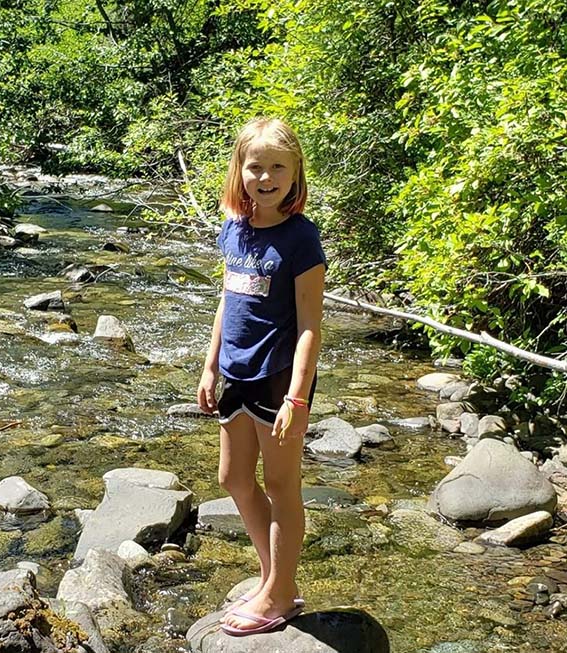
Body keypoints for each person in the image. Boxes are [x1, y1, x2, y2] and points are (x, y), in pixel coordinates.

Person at [197, 117, 326, 636]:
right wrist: (209, 364)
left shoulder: (300, 238)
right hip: (234, 371)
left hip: (278, 379)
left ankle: (279, 594)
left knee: (279, 483)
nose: (266, 177)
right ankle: (274, 576)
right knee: (232, 478)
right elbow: (227, 300)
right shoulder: (234, 228)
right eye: (256, 167)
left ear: (295, 173)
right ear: (240, 171)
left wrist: (298, 397)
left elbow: (311, 324)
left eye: (278, 166)